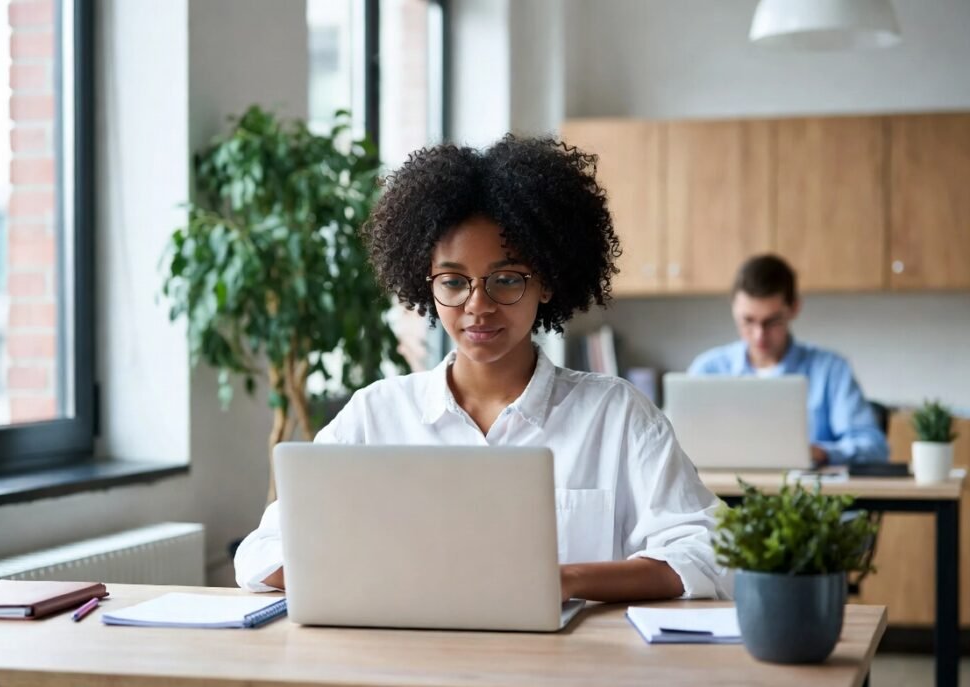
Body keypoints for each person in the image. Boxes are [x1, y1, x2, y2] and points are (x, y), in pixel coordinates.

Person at [235, 135, 731, 602]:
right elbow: (260, 555)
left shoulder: (616, 415)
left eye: (507, 279)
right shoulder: (375, 415)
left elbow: (711, 551)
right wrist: (386, 574)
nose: (478, 306)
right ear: (425, 284)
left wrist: (567, 579)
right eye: (453, 281)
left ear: (548, 282)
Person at [688, 254, 889, 467]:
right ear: (733, 309)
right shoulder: (707, 370)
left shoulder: (830, 369)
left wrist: (821, 453)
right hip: (721, 493)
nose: (759, 335)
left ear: (794, 308)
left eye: (772, 321)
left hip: (805, 496)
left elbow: (874, 447)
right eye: (748, 321)